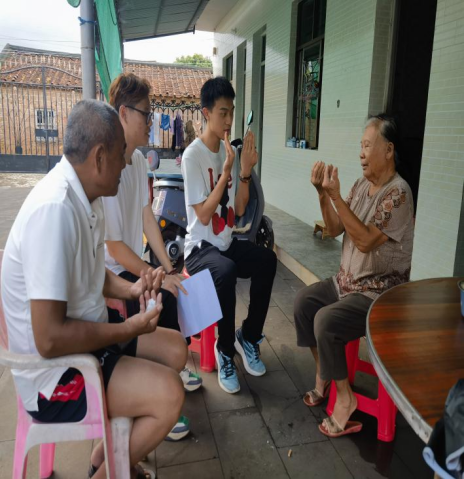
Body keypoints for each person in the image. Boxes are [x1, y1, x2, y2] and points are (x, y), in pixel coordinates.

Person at [1, 100, 187, 479]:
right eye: (121, 155)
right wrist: (127, 328)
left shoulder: (87, 196)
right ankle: (108, 473)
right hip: (56, 376)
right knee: (170, 395)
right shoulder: (55, 211)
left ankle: (106, 456)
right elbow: (50, 339)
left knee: (176, 349)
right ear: (100, 157)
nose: (125, 164)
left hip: (86, 342)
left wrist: (133, 290)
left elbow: (92, 273)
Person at [294, 114, 414, 438]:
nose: (361, 153)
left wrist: (335, 197)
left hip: (378, 294)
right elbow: (334, 229)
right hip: (347, 283)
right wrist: (323, 194)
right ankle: (325, 372)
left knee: (325, 321)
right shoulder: (361, 186)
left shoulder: (398, 193)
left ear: (388, 150)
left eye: (367, 145)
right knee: (304, 303)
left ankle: (346, 399)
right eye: (361, 145)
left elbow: (364, 240)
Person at [102, 73, 202, 412]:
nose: (151, 121)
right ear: (123, 113)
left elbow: (147, 217)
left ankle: (171, 365)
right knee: (165, 296)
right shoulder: (108, 168)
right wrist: (152, 274)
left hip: (131, 263)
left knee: (176, 285)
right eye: (146, 113)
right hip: (114, 272)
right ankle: (159, 380)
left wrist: (169, 268)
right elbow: (114, 248)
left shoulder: (136, 162)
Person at [181, 76, 277, 394]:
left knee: (267, 260)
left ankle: (247, 336)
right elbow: (203, 215)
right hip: (200, 248)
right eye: (223, 112)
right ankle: (224, 351)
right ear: (206, 113)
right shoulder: (193, 156)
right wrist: (225, 172)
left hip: (225, 241)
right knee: (226, 270)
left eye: (232, 112)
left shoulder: (230, 152)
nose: (229, 119)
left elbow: (239, 208)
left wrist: (244, 172)